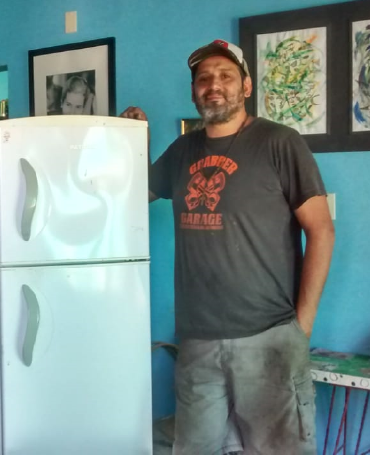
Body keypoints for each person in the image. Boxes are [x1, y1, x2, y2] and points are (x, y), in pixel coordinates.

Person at [122, 39, 335, 454]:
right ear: (193, 91)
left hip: (269, 337)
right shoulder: (183, 150)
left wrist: (301, 328)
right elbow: (134, 194)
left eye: (225, 76)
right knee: (194, 447)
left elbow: (322, 231)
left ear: (247, 86)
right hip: (198, 341)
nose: (214, 85)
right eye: (204, 78)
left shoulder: (280, 142)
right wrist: (134, 140)